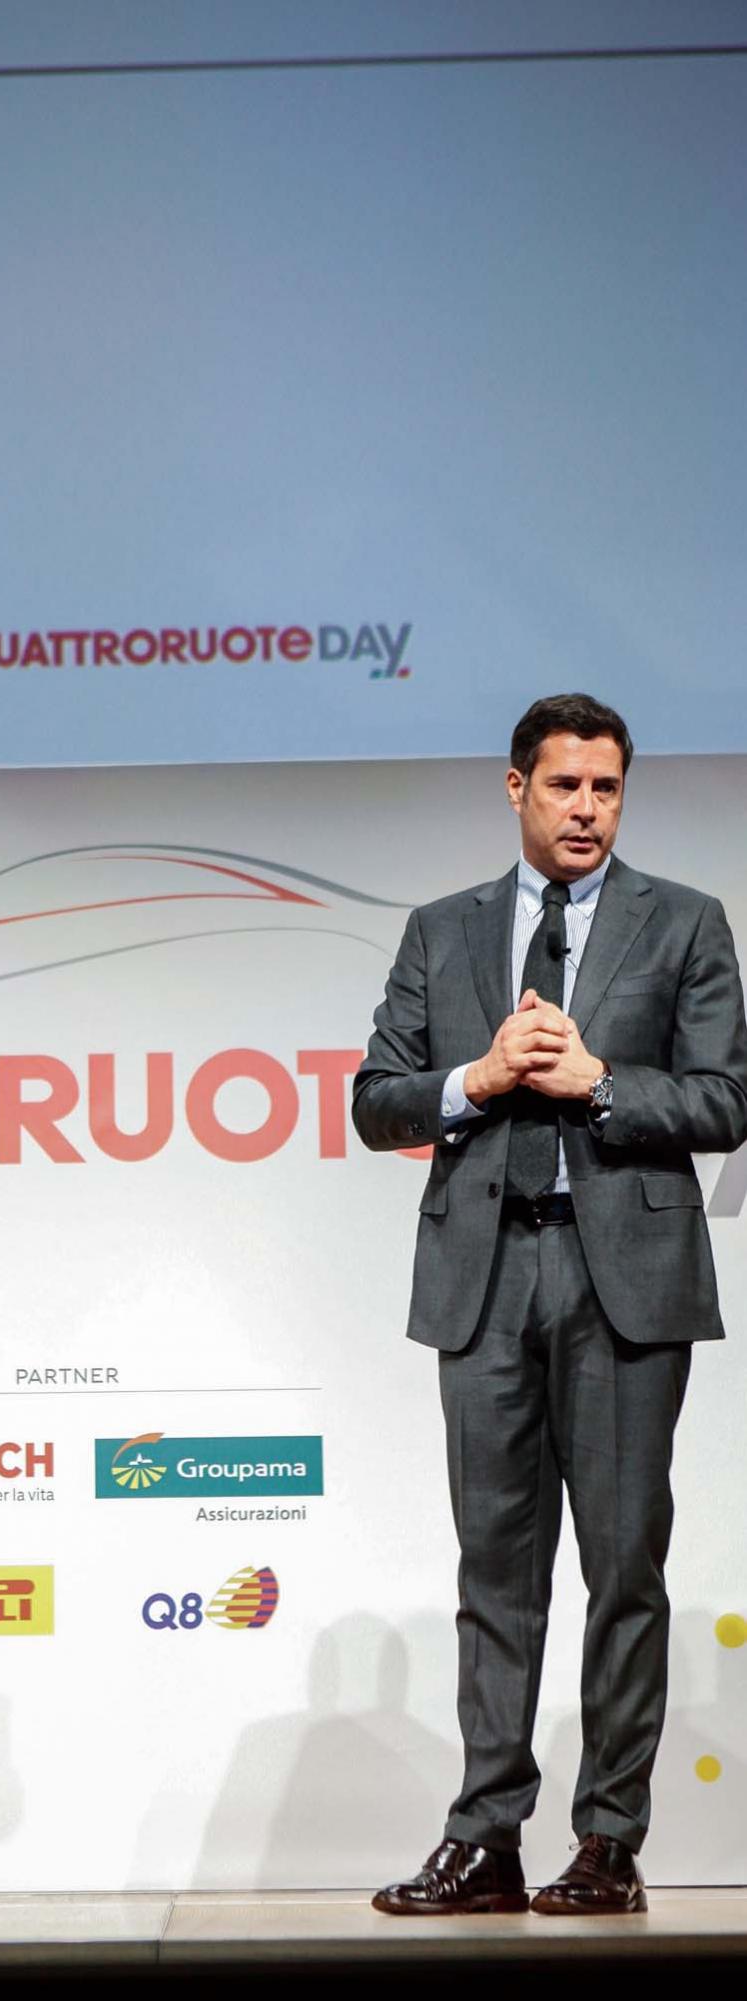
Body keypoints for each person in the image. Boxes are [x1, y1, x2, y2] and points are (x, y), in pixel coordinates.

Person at [352, 694, 747, 1915]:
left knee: (624, 1568)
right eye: (566, 784)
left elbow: (726, 1099)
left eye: (607, 788)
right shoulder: (443, 929)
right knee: (496, 1571)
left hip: (623, 1277)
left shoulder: (685, 920)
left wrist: (600, 1081)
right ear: (516, 785)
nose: (587, 808)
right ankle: (487, 1835)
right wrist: (476, 1078)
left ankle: (609, 1841)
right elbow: (376, 1100)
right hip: (484, 1275)